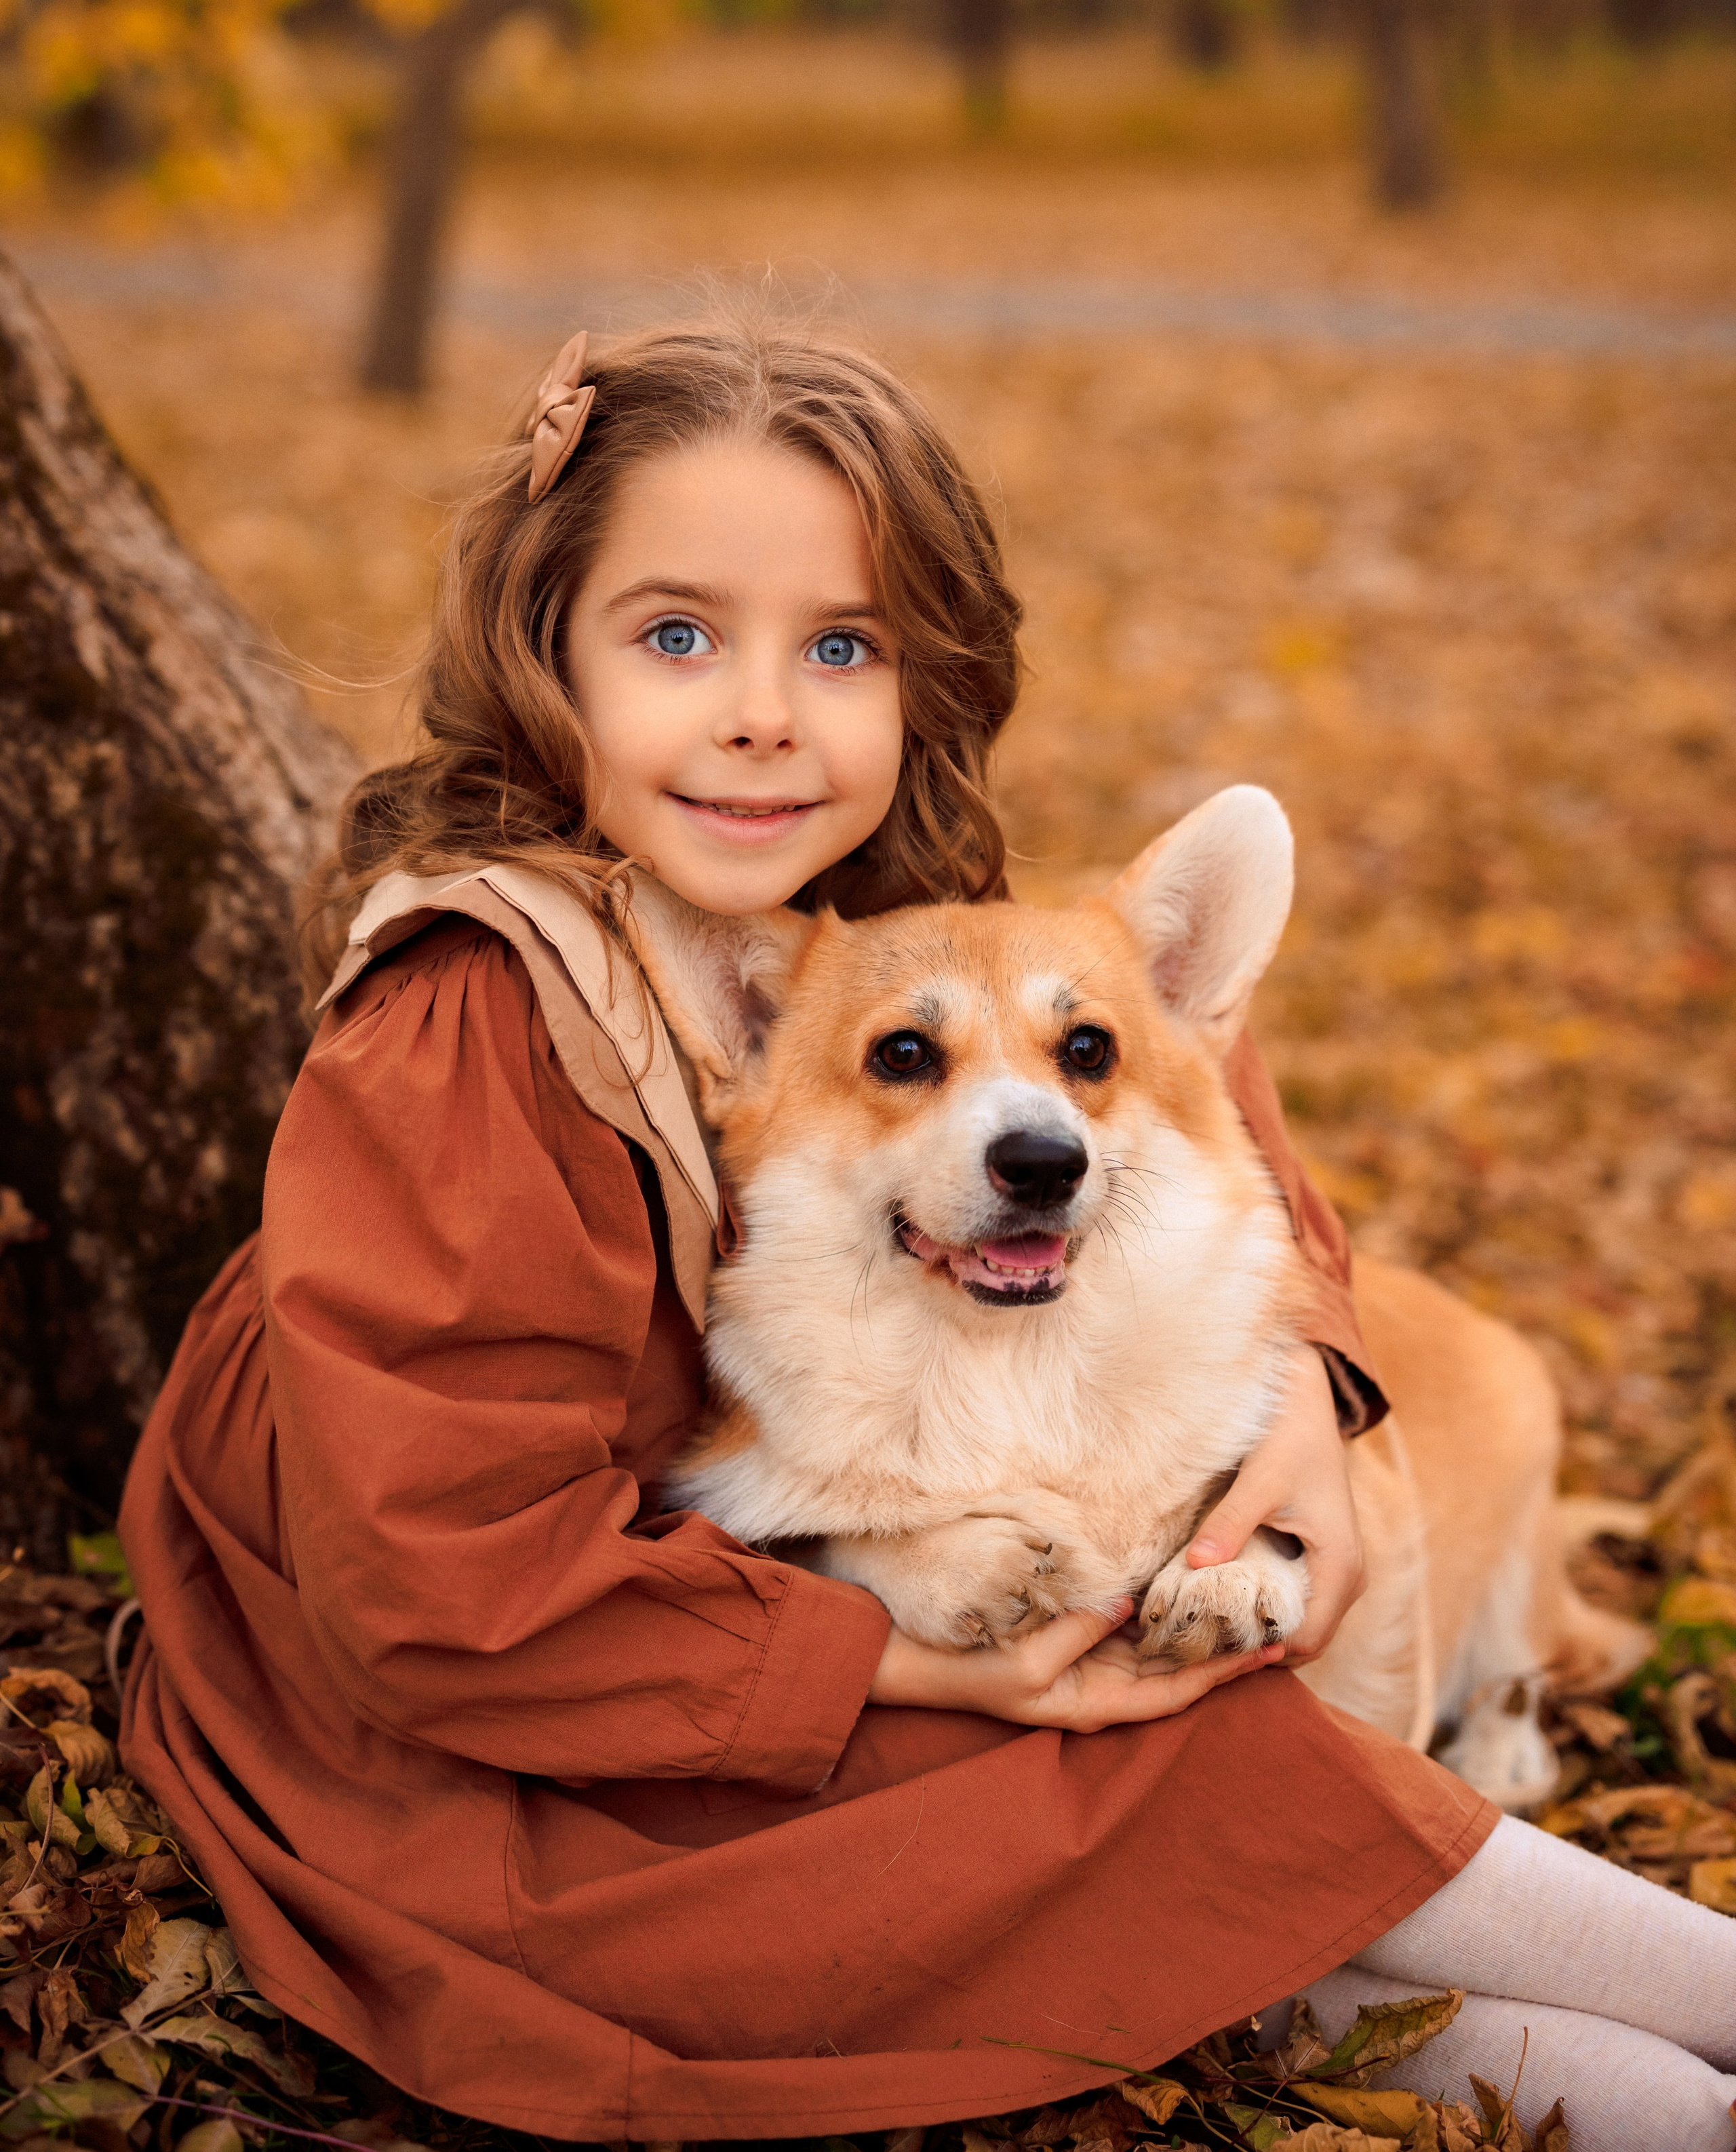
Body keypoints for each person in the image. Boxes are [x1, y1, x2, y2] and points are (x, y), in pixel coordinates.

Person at [120, 322, 1736, 2151]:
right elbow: (436, 1583)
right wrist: (900, 1659)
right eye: (675, 637)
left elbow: (1217, 1127)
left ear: (923, 676)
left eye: (839, 646)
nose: (761, 711)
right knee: (1149, 1790)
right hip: (498, 1735)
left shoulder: (882, 909)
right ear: (543, 659)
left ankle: (1671, 2088)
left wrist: (1315, 1397)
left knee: (1152, 1803)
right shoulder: (473, 1021)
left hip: (737, 1632)